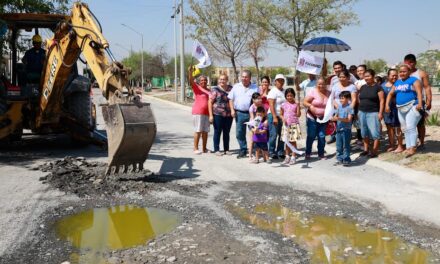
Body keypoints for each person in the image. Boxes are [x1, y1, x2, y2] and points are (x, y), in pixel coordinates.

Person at [385, 64, 423, 157]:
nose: (402, 73)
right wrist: (387, 105)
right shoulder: (397, 82)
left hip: (412, 106)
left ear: (409, 72)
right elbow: (390, 94)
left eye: (404, 71)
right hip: (400, 108)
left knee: (411, 127)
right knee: (405, 128)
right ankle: (409, 147)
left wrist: (420, 104)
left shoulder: (414, 80)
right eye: (400, 72)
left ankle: (413, 147)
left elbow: (419, 92)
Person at [404, 54, 433, 149]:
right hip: (406, 103)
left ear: (415, 62)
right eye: (407, 62)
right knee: (408, 125)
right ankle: (412, 144)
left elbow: (427, 87)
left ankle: (421, 143)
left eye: (411, 62)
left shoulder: (421, 73)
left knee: (420, 124)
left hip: (419, 102)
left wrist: (429, 101)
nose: (409, 64)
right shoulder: (403, 73)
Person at [228, 70, 258, 158]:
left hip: (252, 114)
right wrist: (232, 110)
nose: (244, 79)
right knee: (239, 133)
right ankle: (243, 149)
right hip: (239, 113)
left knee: (254, 132)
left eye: (246, 77)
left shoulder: (255, 87)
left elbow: (258, 99)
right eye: (243, 77)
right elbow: (230, 99)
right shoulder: (236, 87)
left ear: (250, 78)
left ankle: (255, 149)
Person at [358, 69, 384, 158]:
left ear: (373, 76)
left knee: (374, 133)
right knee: (364, 132)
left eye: (368, 76)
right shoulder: (362, 87)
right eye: (365, 76)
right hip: (362, 112)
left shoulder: (378, 87)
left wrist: (380, 113)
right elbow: (359, 98)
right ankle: (366, 150)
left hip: (373, 113)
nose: (366, 78)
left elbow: (382, 101)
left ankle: (374, 151)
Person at [303, 77, 330, 159]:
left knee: (321, 136)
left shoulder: (329, 93)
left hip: (324, 118)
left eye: (322, 84)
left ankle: (321, 154)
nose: (321, 85)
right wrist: (310, 106)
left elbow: (332, 104)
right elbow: (304, 102)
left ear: (325, 84)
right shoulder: (313, 92)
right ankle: (308, 152)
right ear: (316, 84)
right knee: (311, 135)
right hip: (312, 117)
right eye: (319, 84)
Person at [208, 74, 233, 156]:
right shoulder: (215, 89)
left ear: (227, 80)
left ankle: (226, 149)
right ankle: (217, 149)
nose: (222, 81)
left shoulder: (231, 89)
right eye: (221, 79)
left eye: (224, 79)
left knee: (226, 132)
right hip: (217, 114)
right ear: (219, 80)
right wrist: (211, 115)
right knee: (217, 132)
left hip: (228, 115)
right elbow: (210, 102)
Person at [189, 67, 211, 154]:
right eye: (202, 80)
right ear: (199, 81)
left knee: (205, 131)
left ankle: (204, 149)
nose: (203, 82)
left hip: (207, 113)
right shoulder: (197, 88)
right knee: (198, 130)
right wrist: (190, 72)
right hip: (198, 113)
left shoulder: (209, 90)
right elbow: (191, 80)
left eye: (205, 80)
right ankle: (195, 148)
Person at [382, 69, 404, 153]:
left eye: (396, 75)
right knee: (389, 128)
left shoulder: (400, 84)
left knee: (398, 127)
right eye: (392, 75)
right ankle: (392, 145)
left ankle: (400, 145)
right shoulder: (382, 86)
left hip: (398, 109)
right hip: (387, 111)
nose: (394, 77)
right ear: (388, 76)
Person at [267, 74, 287, 160]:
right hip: (273, 115)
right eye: (278, 80)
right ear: (275, 82)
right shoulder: (273, 91)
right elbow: (271, 105)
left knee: (282, 135)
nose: (280, 82)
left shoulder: (285, 91)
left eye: (282, 80)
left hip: (282, 116)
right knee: (273, 135)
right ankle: (271, 151)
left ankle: (280, 151)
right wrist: (275, 117)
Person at [280, 88, 301, 165]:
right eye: (288, 96)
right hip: (286, 125)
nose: (289, 97)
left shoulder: (296, 105)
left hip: (294, 125)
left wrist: (298, 106)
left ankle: (293, 157)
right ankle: (287, 156)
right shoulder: (283, 105)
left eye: (291, 95)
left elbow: (298, 115)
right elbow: (281, 114)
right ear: (285, 96)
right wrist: (283, 119)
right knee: (287, 141)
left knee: (293, 141)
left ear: (294, 96)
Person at [333, 91, 354, 166]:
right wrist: (333, 118)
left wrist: (338, 118)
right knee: (338, 145)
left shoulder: (350, 108)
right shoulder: (339, 107)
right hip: (339, 129)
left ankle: (346, 159)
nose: (341, 100)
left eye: (342, 98)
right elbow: (336, 115)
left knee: (346, 145)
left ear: (348, 99)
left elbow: (348, 119)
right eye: (340, 98)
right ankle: (339, 158)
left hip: (346, 130)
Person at [248, 92, 267, 162]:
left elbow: (266, 116)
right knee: (252, 140)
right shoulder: (251, 107)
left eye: (260, 98)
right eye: (258, 99)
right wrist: (255, 128)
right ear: (253, 100)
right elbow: (253, 119)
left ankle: (263, 155)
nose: (260, 100)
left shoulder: (263, 106)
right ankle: (250, 155)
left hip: (261, 125)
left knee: (262, 139)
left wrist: (266, 122)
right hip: (253, 125)